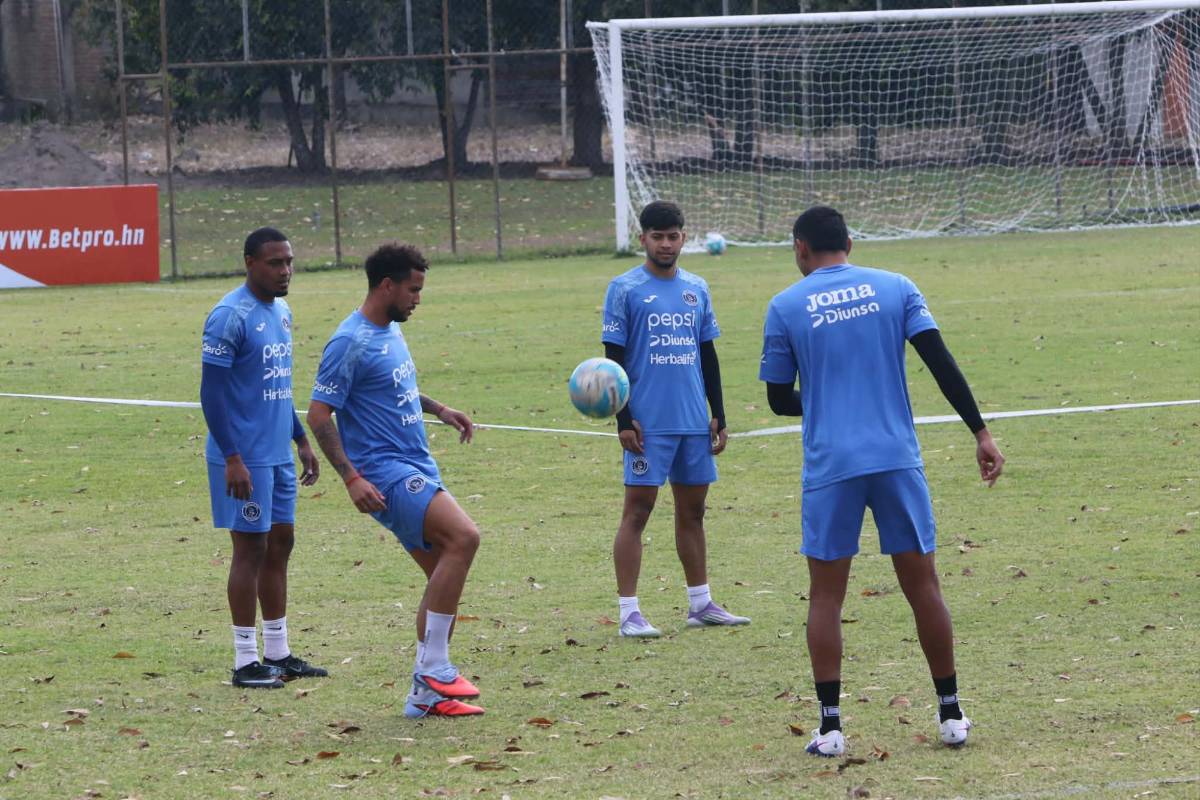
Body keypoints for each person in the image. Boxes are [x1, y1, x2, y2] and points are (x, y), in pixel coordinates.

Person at [759, 206, 1005, 755]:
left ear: (800, 249)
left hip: (832, 466)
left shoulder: (785, 305)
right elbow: (940, 361)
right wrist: (981, 432)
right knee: (924, 587)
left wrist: (824, 398)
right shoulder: (897, 288)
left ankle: (830, 727)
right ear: (849, 241)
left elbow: (778, 399)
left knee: (826, 595)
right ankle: (951, 713)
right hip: (896, 459)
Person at [306, 242, 483, 718]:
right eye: (413, 289)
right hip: (384, 473)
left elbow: (394, 384)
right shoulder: (350, 340)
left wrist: (439, 408)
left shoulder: (388, 330)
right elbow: (319, 414)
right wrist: (350, 478)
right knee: (464, 538)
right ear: (387, 285)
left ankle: (423, 699)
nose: (417, 299)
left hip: (417, 462)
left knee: (440, 577)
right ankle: (436, 668)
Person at [601, 200, 750, 638]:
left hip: (692, 422)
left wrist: (718, 412)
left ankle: (700, 604)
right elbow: (613, 359)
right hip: (649, 423)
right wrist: (624, 420)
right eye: (657, 236)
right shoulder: (624, 288)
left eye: (673, 236)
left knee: (694, 511)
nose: (666, 244)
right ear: (643, 239)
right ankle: (629, 612)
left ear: (684, 237)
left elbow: (707, 353)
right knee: (638, 511)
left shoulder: (696, 288)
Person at [200, 227, 326, 689]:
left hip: (276, 454)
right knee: (249, 549)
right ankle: (244, 660)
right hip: (243, 459)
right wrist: (232, 457)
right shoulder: (228, 317)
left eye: (289, 261)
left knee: (281, 544)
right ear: (250, 262)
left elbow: (279, 384)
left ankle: (279, 651)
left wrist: (301, 439)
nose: (285, 270)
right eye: (275, 263)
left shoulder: (283, 311)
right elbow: (211, 394)